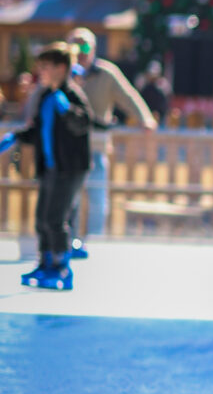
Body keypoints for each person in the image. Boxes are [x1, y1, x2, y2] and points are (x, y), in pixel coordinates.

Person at [5, 44, 112, 291]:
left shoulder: (72, 95)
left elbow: (83, 123)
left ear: (61, 68)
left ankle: (62, 268)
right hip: (50, 167)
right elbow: (37, 129)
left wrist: (67, 110)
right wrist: (17, 137)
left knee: (56, 218)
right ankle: (45, 264)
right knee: (42, 217)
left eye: (45, 66)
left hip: (70, 168)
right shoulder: (45, 96)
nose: (40, 71)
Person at [46, 28, 157, 254]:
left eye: (85, 46)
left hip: (95, 146)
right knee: (70, 199)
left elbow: (128, 96)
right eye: (75, 46)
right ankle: (68, 243)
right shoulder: (62, 75)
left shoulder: (106, 73)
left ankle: (95, 242)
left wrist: (144, 118)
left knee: (97, 197)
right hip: (67, 148)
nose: (81, 51)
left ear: (94, 49)